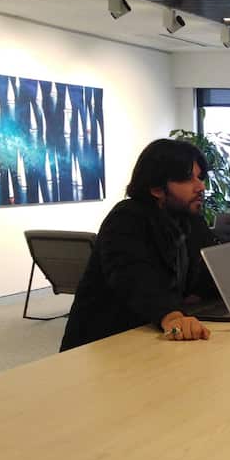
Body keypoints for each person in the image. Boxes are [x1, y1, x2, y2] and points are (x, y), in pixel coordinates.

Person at [60, 139, 218, 351]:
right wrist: (171, 316)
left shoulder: (189, 219)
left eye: (200, 177)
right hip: (103, 342)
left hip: (150, 334)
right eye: (187, 179)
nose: (201, 187)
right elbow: (134, 278)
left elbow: (208, 270)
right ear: (156, 189)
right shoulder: (127, 217)